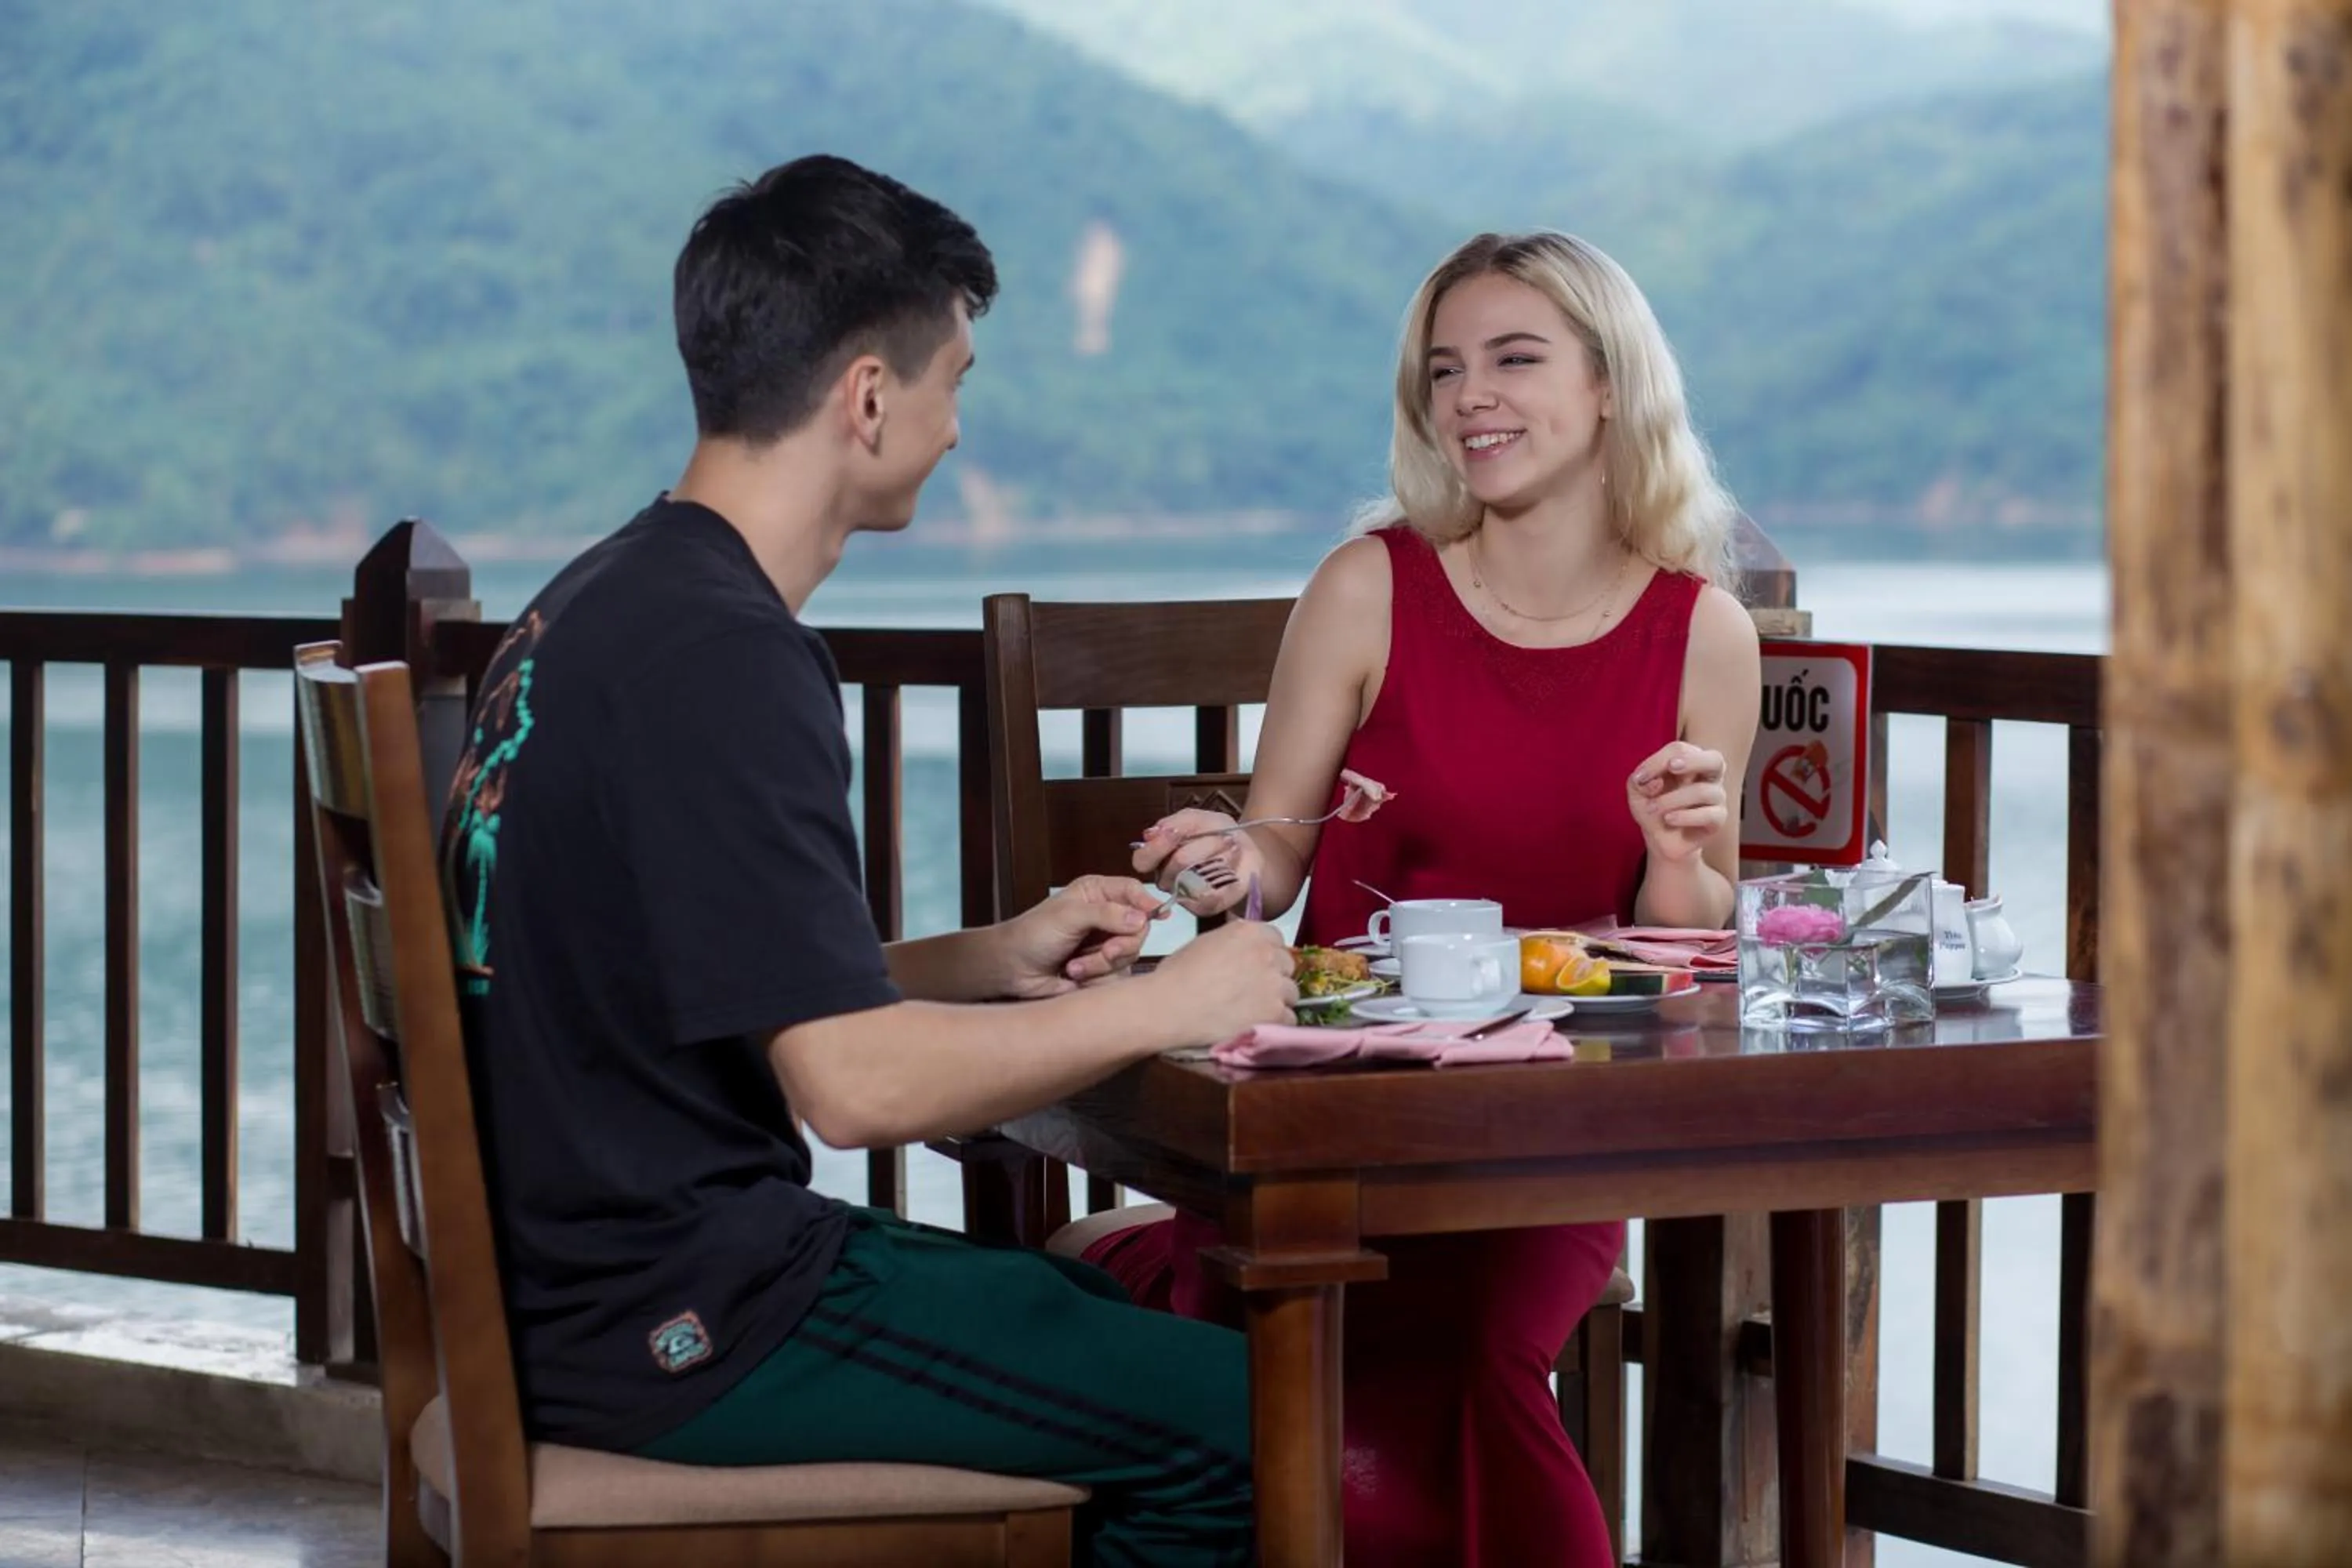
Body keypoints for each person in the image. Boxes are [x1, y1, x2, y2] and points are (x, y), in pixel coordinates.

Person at [437, 154, 1294, 1568]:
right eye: (953, 380)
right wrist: (1179, 1001)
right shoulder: (727, 657)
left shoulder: (598, 605)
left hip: (583, 1286)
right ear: (870, 398)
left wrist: (992, 958)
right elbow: (853, 1088)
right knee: (1258, 1414)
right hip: (681, 1321)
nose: (959, 429)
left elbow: (678, 986)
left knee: (1123, 1335)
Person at [1118, 230, 1763, 1567]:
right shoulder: (1367, 587)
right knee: (1297, 1332)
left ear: (1608, 387)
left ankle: (1133, 1297)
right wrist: (1216, 867)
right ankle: (1148, 1291)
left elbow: (1688, 929)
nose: (1469, 397)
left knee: (1466, 1356)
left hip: (1554, 1135)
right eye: (1444, 369)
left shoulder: (1705, 630)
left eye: (1515, 359)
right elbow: (1273, 858)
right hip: (1331, 1117)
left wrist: (1684, 850)